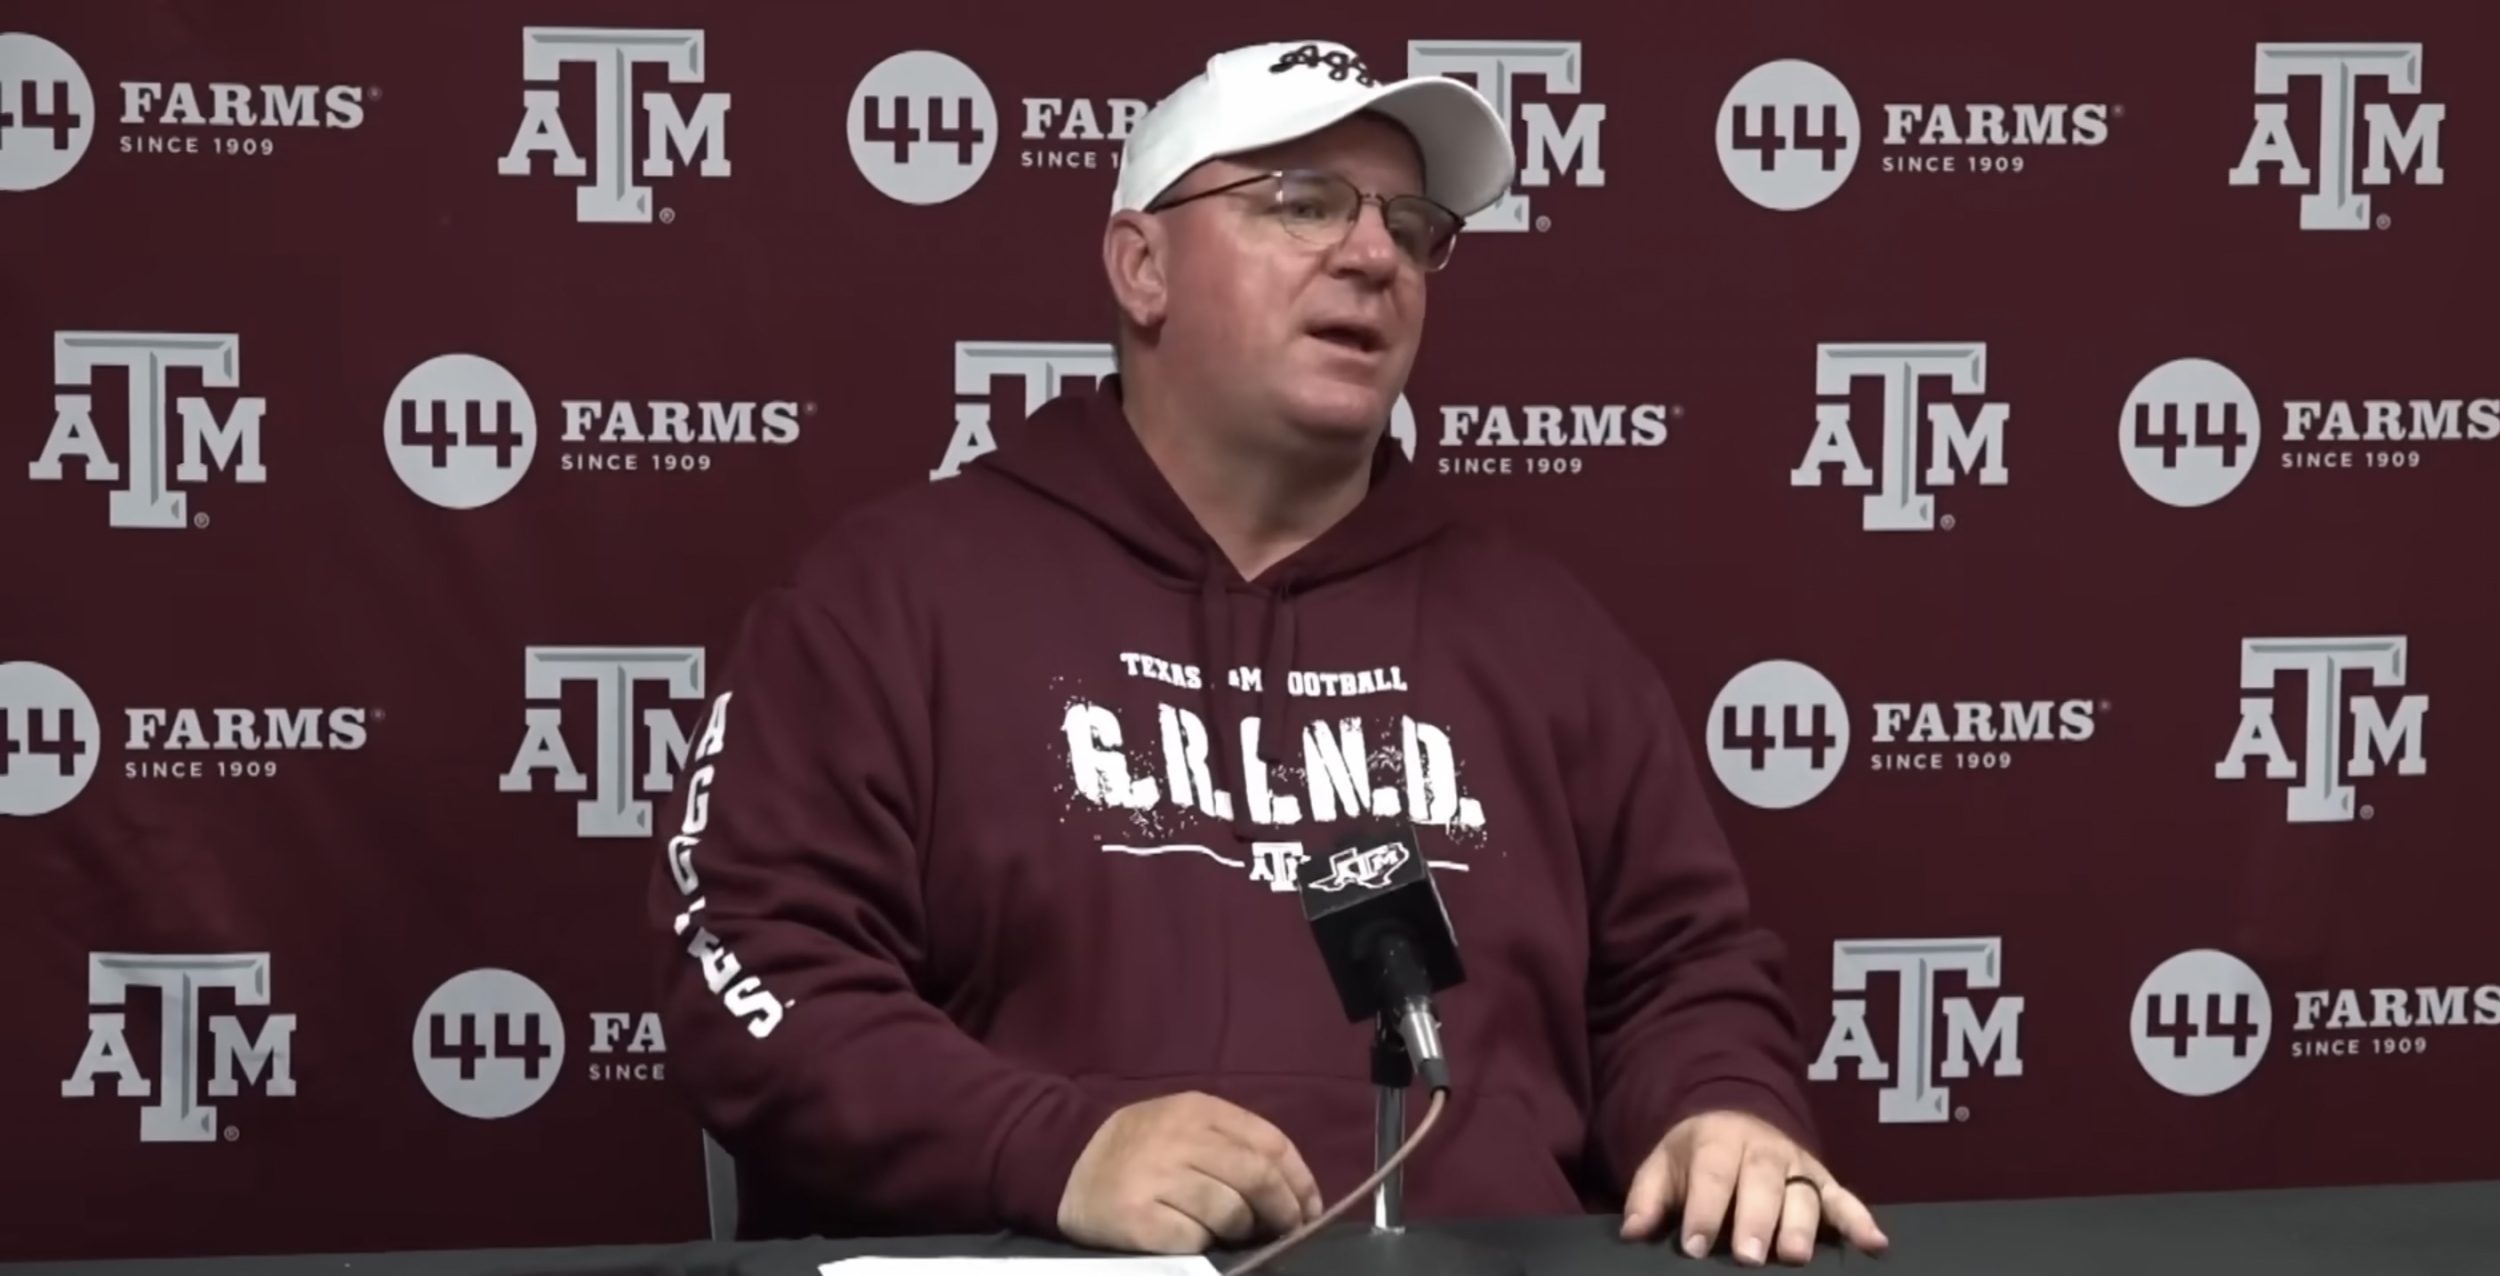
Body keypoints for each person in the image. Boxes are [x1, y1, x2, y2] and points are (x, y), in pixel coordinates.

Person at [647, 38, 1889, 1269]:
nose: (1372, 256)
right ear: (1142, 266)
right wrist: (1050, 1146)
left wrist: (1721, 1107)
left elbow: (1681, 972)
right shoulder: (890, 600)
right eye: (1302, 204)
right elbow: (754, 966)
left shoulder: (1545, 636)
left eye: (1411, 227)